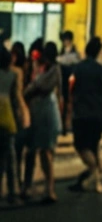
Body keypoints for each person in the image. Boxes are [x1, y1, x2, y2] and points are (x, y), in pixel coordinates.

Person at [68, 36, 102, 194]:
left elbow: (71, 86)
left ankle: (94, 170)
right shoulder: (101, 69)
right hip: (99, 112)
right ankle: (97, 182)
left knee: (81, 145)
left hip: (82, 112)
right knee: (94, 146)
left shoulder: (79, 68)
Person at [24, 42, 61, 204]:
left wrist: (32, 85)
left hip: (46, 112)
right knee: (38, 151)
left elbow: (42, 86)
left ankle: (50, 189)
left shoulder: (54, 70)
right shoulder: (40, 67)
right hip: (37, 112)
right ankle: (37, 187)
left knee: (46, 151)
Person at [0, 46, 28, 205]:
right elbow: (16, 99)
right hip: (7, 119)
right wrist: (23, 116)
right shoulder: (13, 74)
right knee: (10, 158)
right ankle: (12, 193)